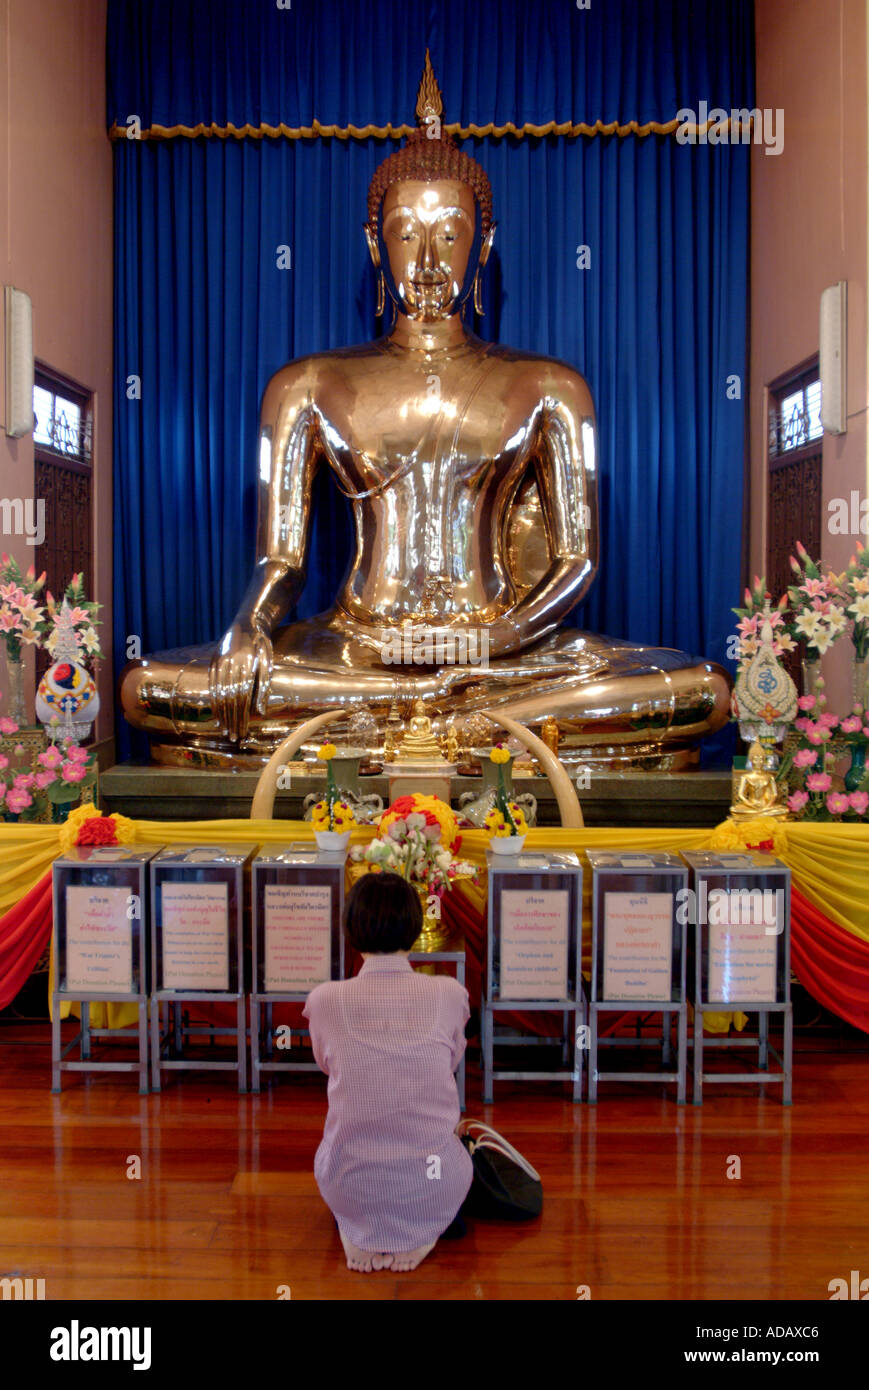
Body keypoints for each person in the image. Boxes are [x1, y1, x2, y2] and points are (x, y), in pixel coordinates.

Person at [303, 872, 473, 1272]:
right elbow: (447, 1064)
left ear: (350, 929)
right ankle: (425, 1229)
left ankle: (357, 1223)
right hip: (433, 1184)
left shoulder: (324, 1000)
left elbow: (328, 1066)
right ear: (415, 927)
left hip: (346, 1181)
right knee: (452, 1145)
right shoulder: (450, 993)